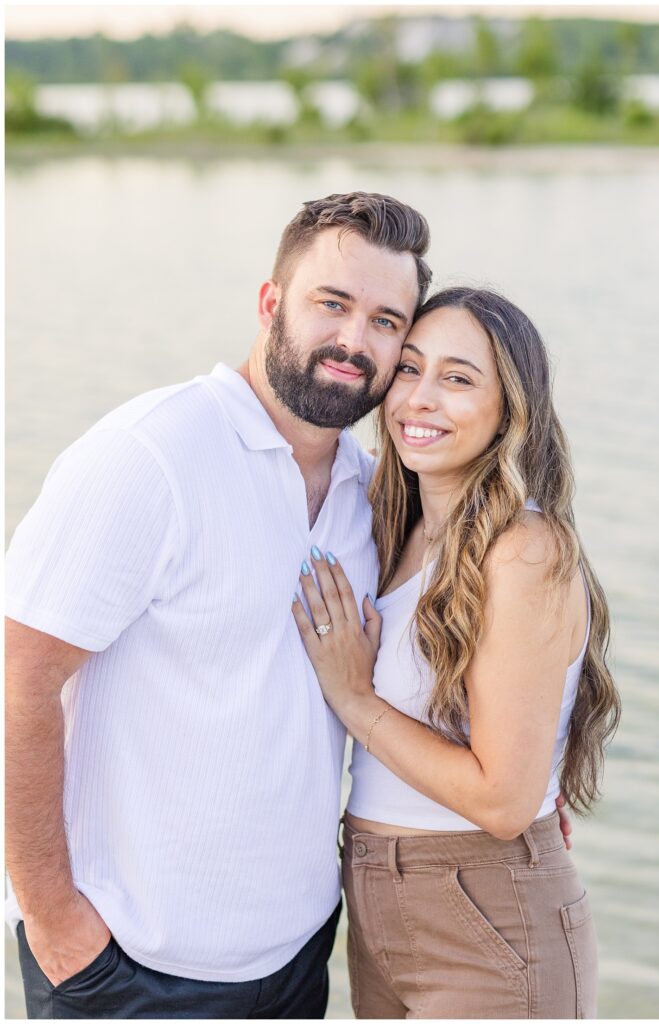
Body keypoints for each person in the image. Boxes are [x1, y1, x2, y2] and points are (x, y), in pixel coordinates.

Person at [4, 192, 432, 1019]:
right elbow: (17, 683)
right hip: (128, 966)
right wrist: (57, 927)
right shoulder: (150, 457)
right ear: (271, 303)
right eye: (331, 304)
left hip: (297, 953)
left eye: (386, 321)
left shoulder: (372, 495)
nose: (354, 341)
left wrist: (534, 795)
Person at [292, 286, 621, 1019]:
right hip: (377, 899)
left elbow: (502, 801)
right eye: (408, 369)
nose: (419, 398)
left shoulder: (524, 552)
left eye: (458, 378)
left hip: (488, 911)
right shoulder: (394, 526)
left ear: (511, 409)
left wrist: (354, 699)